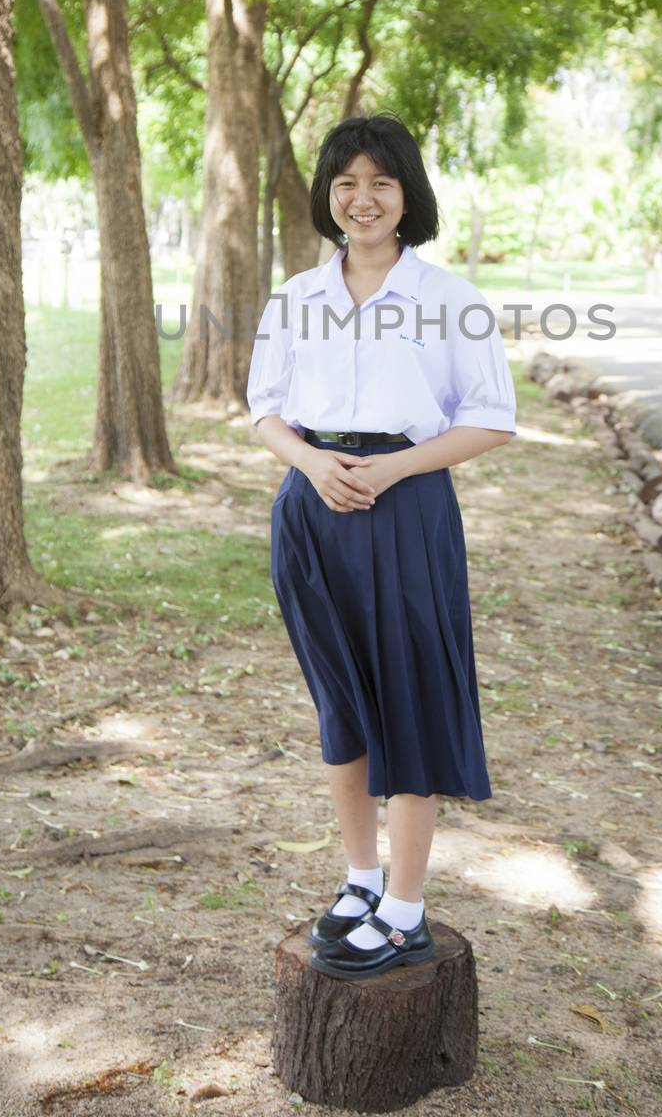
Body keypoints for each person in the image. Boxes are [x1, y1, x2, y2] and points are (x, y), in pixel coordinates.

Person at [246, 111, 517, 978]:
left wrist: (392, 471)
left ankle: (405, 908)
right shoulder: (295, 296)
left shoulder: (450, 301)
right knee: (342, 704)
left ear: (408, 196)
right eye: (346, 183)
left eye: (381, 183)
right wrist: (311, 465)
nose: (362, 199)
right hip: (313, 511)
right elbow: (264, 408)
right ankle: (360, 879)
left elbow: (490, 420)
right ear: (329, 195)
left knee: (408, 699)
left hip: (406, 512)